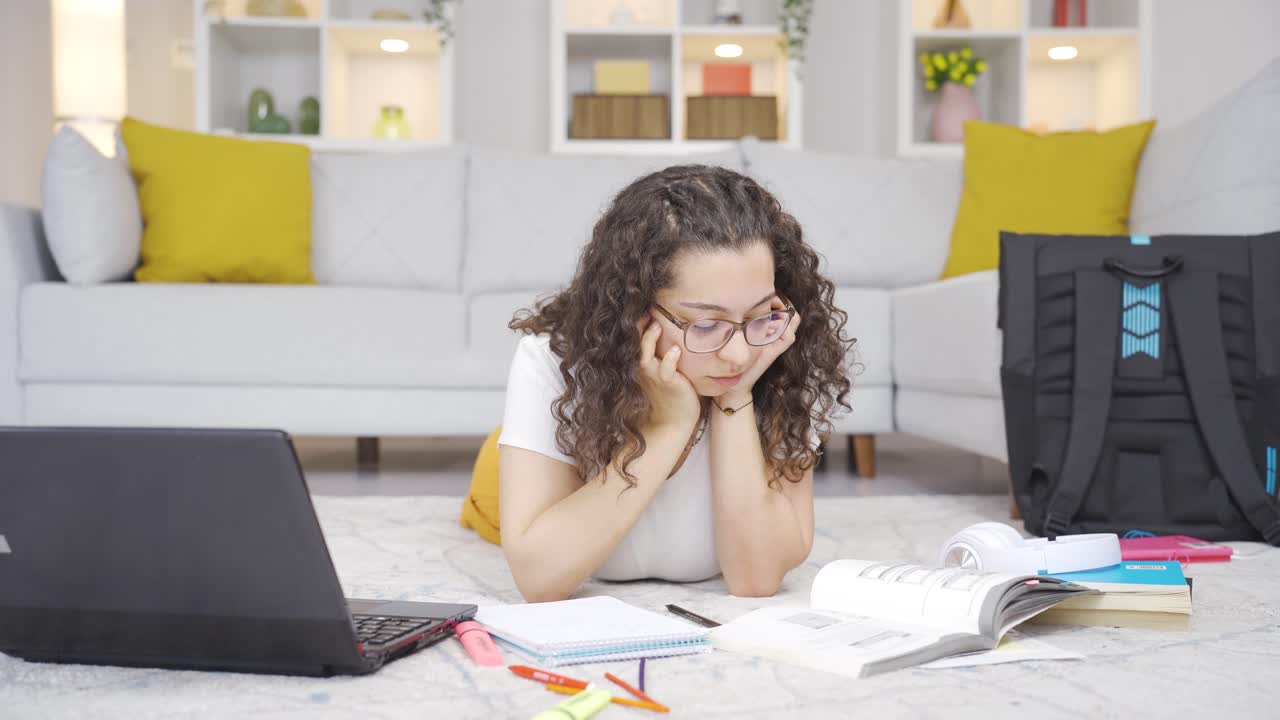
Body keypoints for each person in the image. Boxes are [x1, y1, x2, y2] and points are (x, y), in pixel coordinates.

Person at [495, 164, 854, 602]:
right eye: (706, 324)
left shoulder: (778, 352)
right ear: (634, 310)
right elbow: (538, 579)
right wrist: (666, 427)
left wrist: (734, 399)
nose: (739, 355)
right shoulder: (550, 359)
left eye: (760, 313)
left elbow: (755, 580)